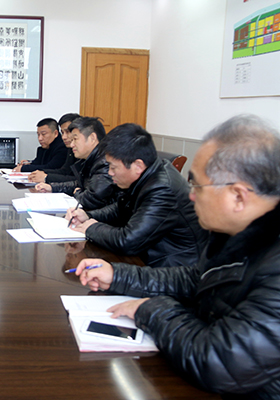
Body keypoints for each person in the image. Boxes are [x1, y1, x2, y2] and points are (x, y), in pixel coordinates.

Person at [74, 115, 280, 399]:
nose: (190, 196)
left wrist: (150, 310)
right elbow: (196, 278)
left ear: (238, 197)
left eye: (198, 186)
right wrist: (118, 275)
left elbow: (218, 361)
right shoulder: (234, 233)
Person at [66, 123, 206, 268]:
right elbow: (121, 209)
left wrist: (91, 228)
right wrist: (88, 216)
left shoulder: (162, 189)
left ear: (138, 166)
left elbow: (128, 241)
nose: (110, 173)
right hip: (147, 257)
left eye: (113, 167)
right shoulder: (147, 173)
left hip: (171, 268)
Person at [36, 117, 119, 210]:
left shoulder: (104, 163)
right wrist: (52, 187)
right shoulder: (89, 159)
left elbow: (92, 200)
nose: (72, 145)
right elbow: (78, 184)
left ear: (92, 138)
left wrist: (77, 193)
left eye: (75, 139)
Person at [28, 113, 81, 183]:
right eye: (62, 132)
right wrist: (41, 172)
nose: (64, 137)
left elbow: (79, 180)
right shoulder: (70, 149)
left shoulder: (63, 148)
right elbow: (65, 171)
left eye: (68, 132)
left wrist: (46, 177)